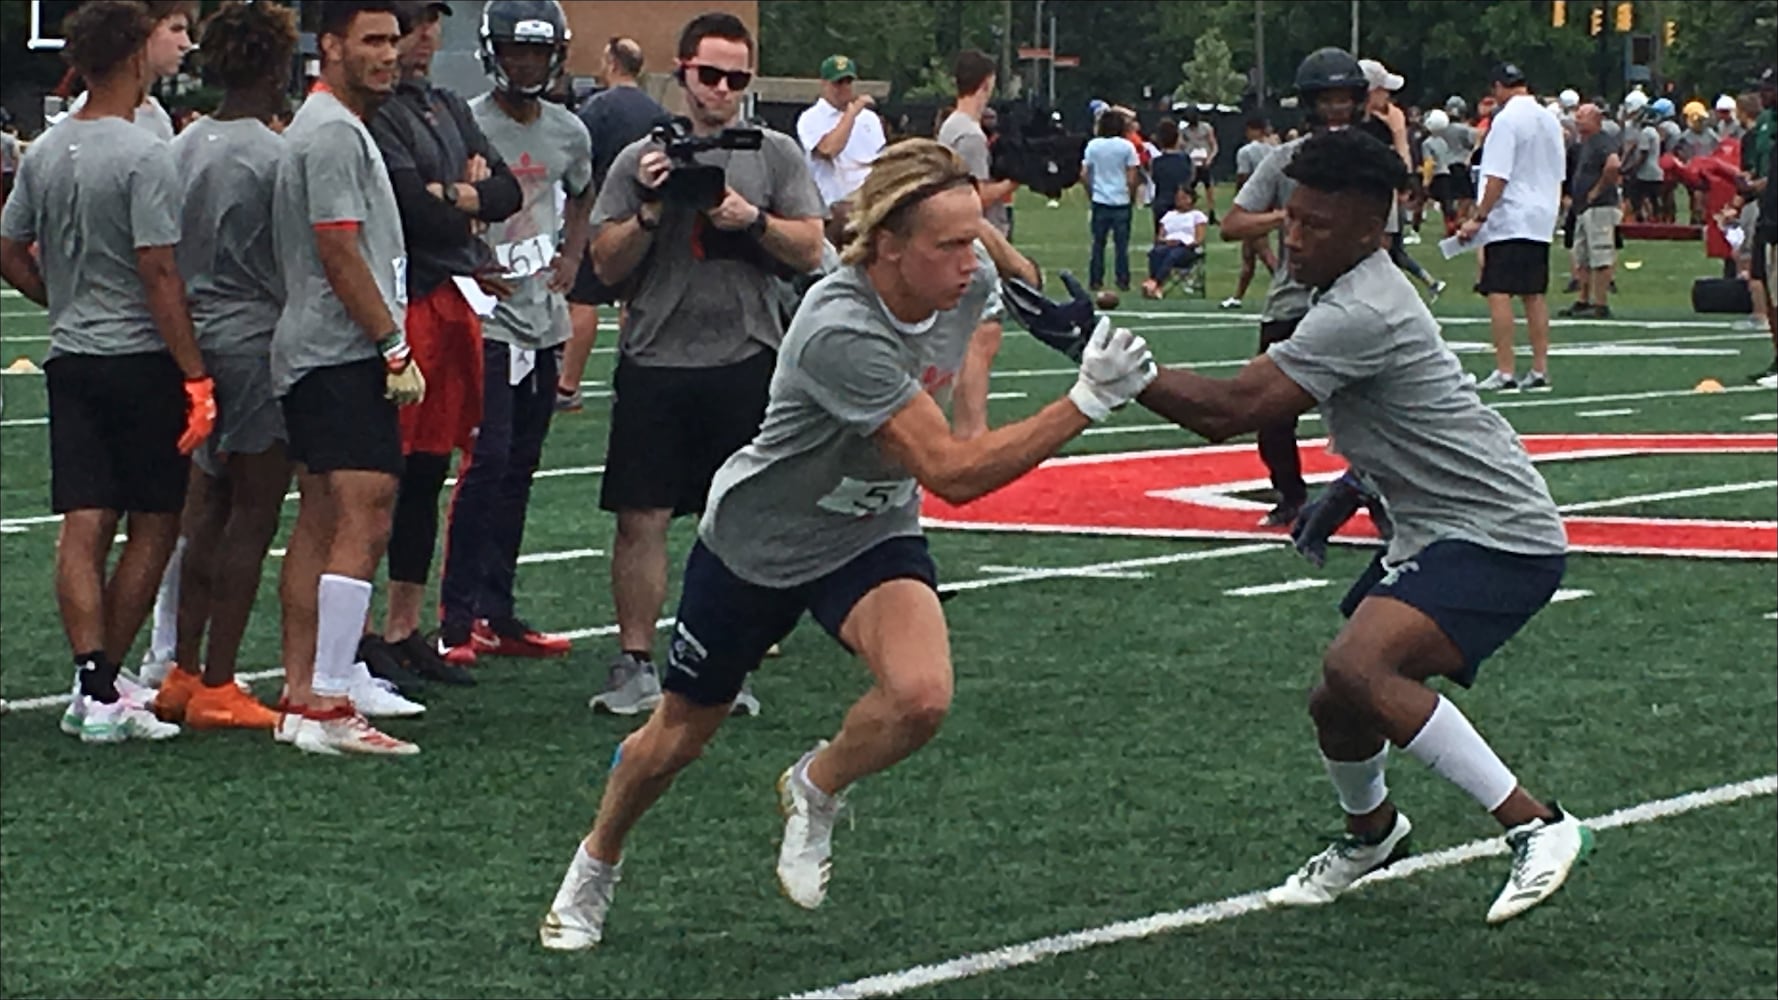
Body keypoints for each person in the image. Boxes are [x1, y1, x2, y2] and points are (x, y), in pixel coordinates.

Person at [537, 138, 1158, 951]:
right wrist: (1085, 401)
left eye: (978, 238)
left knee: (921, 696)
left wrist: (1051, 315)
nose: (974, 261)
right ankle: (594, 864)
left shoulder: (966, 279)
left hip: (868, 529)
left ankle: (816, 784)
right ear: (889, 248)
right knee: (676, 738)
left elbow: (1006, 315)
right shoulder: (839, 326)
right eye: (952, 244)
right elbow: (950, 473)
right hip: (764, 539)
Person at [1014, 127, 1591, 925]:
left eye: (1315, 225)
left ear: (1367, 231)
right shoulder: (1349, 292)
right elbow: (1406, 419)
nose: (1293, 236)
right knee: (1336, 702)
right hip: (1436, 524)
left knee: (1360, 665)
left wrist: (1102, 352)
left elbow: (1234, 411)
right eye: (1292, 218)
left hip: (1498, 532)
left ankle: (1536, 824)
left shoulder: (1363, 307)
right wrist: (1352, 488)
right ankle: (1374, 832)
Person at [585, 12, 825, 718]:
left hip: (746, 353)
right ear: (682, 73)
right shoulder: (640, 156)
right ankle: (634, 661)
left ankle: (725, 655)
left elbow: (811, 249)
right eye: (709, 75)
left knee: (739, 517)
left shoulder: (774, 153)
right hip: (657, 353)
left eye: (736, 79)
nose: (721, 90)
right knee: (642, 515)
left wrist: (747, 218)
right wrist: (656, 208)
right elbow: (604, 262)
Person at [0, 0, 214, 743]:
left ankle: (95, 678)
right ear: (131, 56)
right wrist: (194, 371)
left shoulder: (49, 149)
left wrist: (57, 300)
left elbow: (8, 244)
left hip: (73, 353)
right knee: (155, 519)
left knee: (83, 522)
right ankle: (100, 680)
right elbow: (159, 268)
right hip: (139, 358)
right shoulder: (144, 151)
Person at [269, 0, 423, 755]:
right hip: (339, 352)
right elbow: (338, 249)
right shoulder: (330, 130)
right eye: (372, 40)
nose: (389, 54)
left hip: (316, 350)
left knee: (323, 519)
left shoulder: (330, 124)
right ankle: (329, 698)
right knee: (365, 512)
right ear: (330, 45)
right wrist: (391, 344)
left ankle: (304, 695)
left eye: (393, 40)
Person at [147, 0, 299, 732]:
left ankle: (180, 668)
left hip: (194, 337)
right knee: (254, 512)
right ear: (275, 65)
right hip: (257, 338)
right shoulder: (275, 155)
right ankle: (219, 678)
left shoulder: (184, 143)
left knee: (203, 508)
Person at [368, 0, 523, 676]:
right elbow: (411, 209)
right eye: (412, 24)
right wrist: (465, 198)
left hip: (450, 300)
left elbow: (507, 191)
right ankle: (362, 627)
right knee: (381, 476)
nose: (424, 37)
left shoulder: (444, 106)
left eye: (430, 23)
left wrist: (453, 196)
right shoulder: (375, 112)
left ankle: (405, 625)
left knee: (430, 471)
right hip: (402, 303)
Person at [439, 0, 592, 659]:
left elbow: (583, 191)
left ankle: (497, 610)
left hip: (541, 315)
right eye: (514, 51)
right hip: (486, 316)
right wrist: (466, 261)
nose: (524, 63)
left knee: (521, 466)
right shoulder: (467, 124)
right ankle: (456, 615)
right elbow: (441, 202)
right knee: (488, 460)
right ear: (491, 52)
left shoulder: (568, 131)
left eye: (534, 52)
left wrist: (574, 255)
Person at [1221, 47, 1368, 528]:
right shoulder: (1285, 160)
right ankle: (1289, 494)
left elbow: (1383, 236)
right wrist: (1286, 216)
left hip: (1355, 300)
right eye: (1327, 100)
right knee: (1270, 407)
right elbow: (1234, 223)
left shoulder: (1370, 161)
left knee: (1376, 410)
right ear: (1310, 105)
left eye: (1345, 99)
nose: (1337, 109)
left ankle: (1382, 492)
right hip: (1293, 298)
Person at [558, 36, 669, 413]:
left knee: (583, 299)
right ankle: (631, 379)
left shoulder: (597, 108)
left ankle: (568, 385)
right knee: (633, 300)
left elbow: (576, 162)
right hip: (645, 217)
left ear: (612, 62)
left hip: (601, 216)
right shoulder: (656, 110)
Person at [1458, 62, 1565, 392]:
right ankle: (1539, 368)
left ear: (1498, 88)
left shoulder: (1506, 120)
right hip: (1542, 213)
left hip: (1511, 215)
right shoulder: (1549, 118)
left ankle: (1505, 369)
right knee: (1534, 294)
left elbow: (1497, 175)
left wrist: (1479, 216)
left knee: (1498, 290)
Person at [64, 0, 192, 142]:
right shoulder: (91, 114)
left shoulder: (157, 114)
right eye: (176, 29)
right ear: (142, 33)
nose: (186, 44)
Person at [797, 53, 885, 247]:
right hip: (831, 211)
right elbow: (828, 150)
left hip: (866, 207)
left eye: (848, 82)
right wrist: (851, 114)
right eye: (838, 83)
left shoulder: (870, 119)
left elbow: (878, 161)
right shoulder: (810, 118)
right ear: (824, 84)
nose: (844, 89)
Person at [1556, 104, 1620, 320]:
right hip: (1583, 207)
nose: (1577, 120)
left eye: (1582, 117)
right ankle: (1583, 300)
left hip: (1599, 207)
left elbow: (1613, 165)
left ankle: (1601, 303)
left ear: (1596, 119)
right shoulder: (1582, 144)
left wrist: (1597, 191)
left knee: (1600, 255)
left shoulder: (1603, 141)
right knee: (1581, 255)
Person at [1221, 116, 1280, 309]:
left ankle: (1283, 286)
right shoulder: (1275, 151)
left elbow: (1243, 177)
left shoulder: (1246, 152)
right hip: (1270, 202)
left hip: (1253, 205)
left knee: (1263, 252)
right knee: (1248, 254)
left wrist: (1239, 202)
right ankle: (1237, 296)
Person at [1082, 107, 1139, 292]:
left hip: (1100, 199)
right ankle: (1122, 280)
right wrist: (1131, 195)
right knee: (1121, 245)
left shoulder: (1093, 145)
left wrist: (1091, 192)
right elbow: (1131, 176)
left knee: (1098, 244)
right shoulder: (1126, 146)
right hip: (1121, 200)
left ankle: (1095, 280)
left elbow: (1084, 174)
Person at [1141, 183, 1208, 299]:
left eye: (1183, 198)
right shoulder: (1169, 215)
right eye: (1178, 198)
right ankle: (1155, 284)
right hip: (1168, 245)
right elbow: (1160, 236)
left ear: (1190, 199)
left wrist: (1185, 243)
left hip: (1187, 249)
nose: (1179, 201)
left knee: (1173, 255)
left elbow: (1199, 239)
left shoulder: (1197, 215)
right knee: (1156, 252)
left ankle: (1155, 283)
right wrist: (1167, 241)